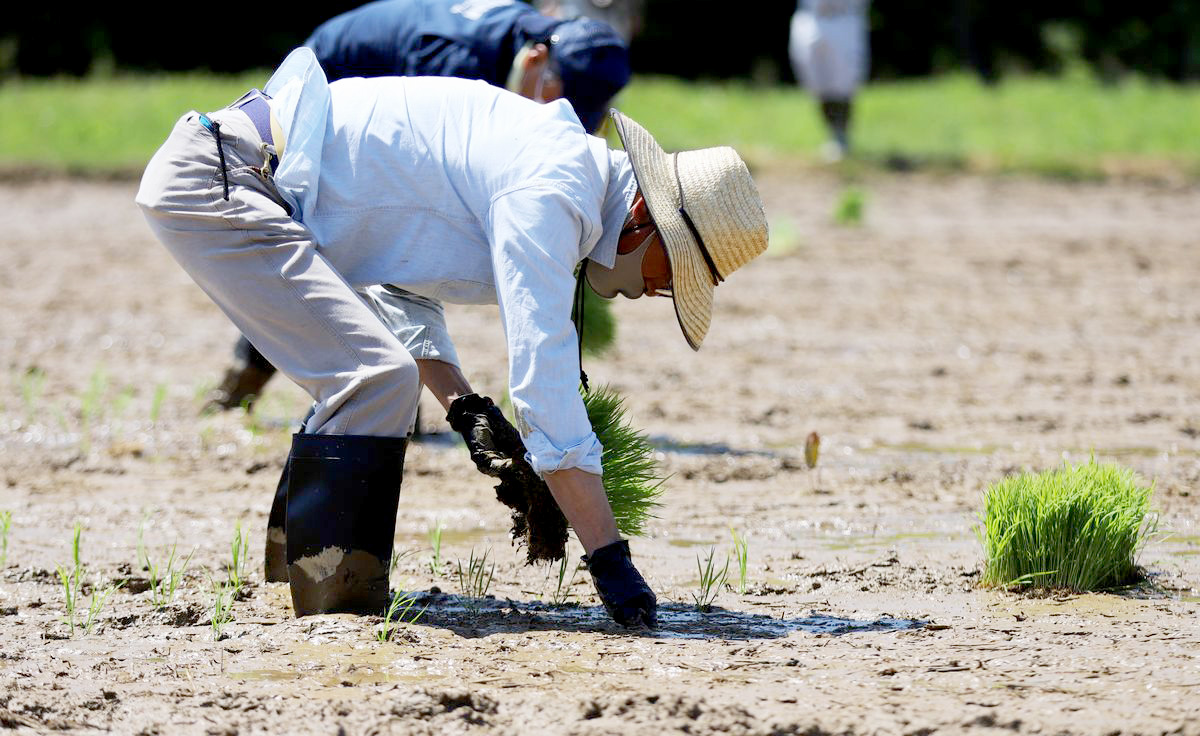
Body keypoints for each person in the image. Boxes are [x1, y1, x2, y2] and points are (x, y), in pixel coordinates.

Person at [134, 46, 768, 628]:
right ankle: (336, 610)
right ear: (644, 220)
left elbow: (398, 283)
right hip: (224, 182)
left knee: (367, 373)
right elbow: (543, 383)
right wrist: (611, 562)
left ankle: (290, 574)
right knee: (372, 379)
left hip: (237, 180)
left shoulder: (553, 171)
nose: (652, 293)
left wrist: (466, 410)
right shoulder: (550, 188)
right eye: (667, 273)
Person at [208, 0, 633, 413]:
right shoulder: (456, 63)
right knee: (337, 240)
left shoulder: (529, 44)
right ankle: (251, 379)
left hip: (385, 86)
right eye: (553, 101)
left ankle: (379, 389)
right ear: (537, 60)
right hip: (325, 87)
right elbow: (405, 203)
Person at [780, 0, 888, 161]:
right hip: (812, 16)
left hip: (845, 16)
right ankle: (831, 131)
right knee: (814, 77)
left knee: (843, 79)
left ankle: (841, 136)